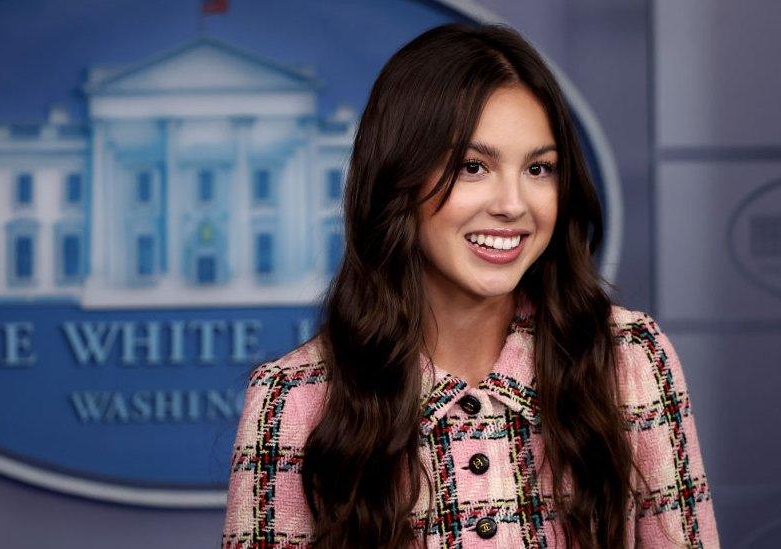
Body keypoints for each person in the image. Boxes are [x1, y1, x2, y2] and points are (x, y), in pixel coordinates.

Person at [221, 22, 719, 549]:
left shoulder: (630, 360)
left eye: (540, 168)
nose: (512, 204)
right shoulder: (293, 399)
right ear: (399, 180)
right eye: (473, 166)